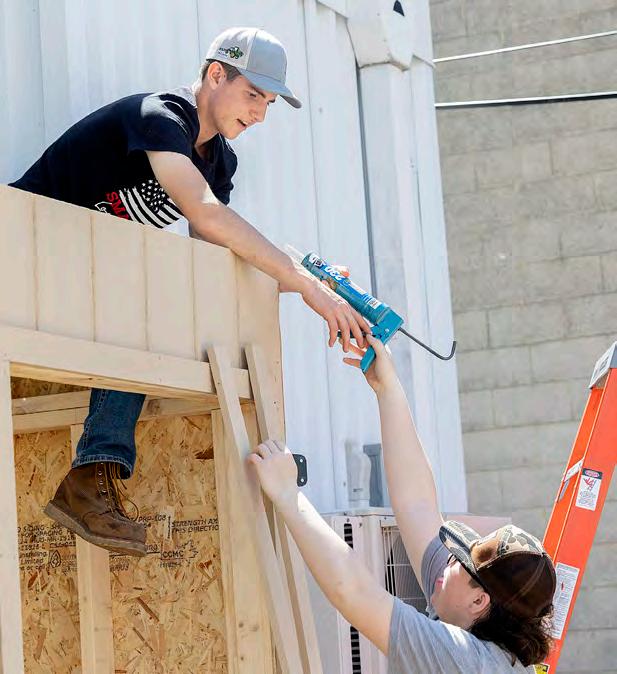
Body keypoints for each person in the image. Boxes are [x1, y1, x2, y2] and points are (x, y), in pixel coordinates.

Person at [9, 26, 369, 557]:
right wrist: (302, 283)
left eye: (268, 104)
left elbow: (215, 255)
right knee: (145, 297)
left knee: (159, 295)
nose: (259, 114)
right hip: (21, 250)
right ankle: (90, 474)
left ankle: (89, 478)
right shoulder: (160, 117)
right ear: (215, 74)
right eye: (253, 95)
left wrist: (311, 282)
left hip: (86, 277)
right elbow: (205, 214)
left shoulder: (219, 161)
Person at [249, 335, 556, 672]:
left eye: (458, 561)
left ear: (479, 601)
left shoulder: (464, 660)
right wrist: (388, 389)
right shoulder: (480, 625)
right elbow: (417, 505)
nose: (445, 562)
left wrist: (289, 496)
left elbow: (353, 592)